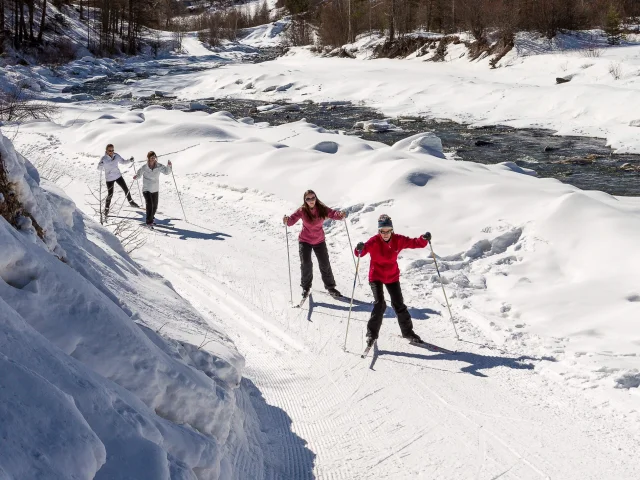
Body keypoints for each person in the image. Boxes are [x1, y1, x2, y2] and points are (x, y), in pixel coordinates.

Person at [355, 214, 431, 347]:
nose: (385, 234)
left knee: (399, 305)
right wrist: (359, 249)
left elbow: (414, 242)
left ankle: (408, 332)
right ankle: (371, 334)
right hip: (376, 276)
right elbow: (361, 252)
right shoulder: (374, 241)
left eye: (387, 230)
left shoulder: (398, 240)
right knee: (380, 304)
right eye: (382, 231)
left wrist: (423, 239)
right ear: (379, 231)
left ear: (392, 230)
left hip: (392, 276)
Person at [283, 189, 346, 300]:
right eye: (308, 199)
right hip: (305, 241)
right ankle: (306, 287)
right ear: (305, 200)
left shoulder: (322, 208)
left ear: (316, 198)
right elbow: (291, 221)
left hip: (319, 241)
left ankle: (331, 287)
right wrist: (287, 220)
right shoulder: (302, 210)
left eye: (313, 198)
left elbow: (333, 213)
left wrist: (340, 215)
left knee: (325, 264)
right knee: (306, 264)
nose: (311, 200)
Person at [97, 143, 139, 216]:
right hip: (109, 178)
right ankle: (106, 209)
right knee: (110, 194)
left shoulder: (116, 156)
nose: (111, 152)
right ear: (106, 151)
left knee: (126, 189)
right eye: (110, 150)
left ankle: (131, 202)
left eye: (112, 150)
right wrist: (101, 164)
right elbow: (99, 168)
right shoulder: (104, 159)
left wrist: (130, 160)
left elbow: (123, 161)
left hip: (118, 175)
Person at [134, 151, 172, 226]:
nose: (153, 159)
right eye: (151, 157)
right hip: (146, 189)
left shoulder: (159, 166)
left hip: (155, 189)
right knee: (150, 204)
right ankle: (149, 222)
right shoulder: (144, 167)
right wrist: (136, 177)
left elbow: (167, 172)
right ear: (148, 158)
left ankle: (151, 217)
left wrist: (169, 166)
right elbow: (139, 174)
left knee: (154, 206)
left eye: (154, 157)